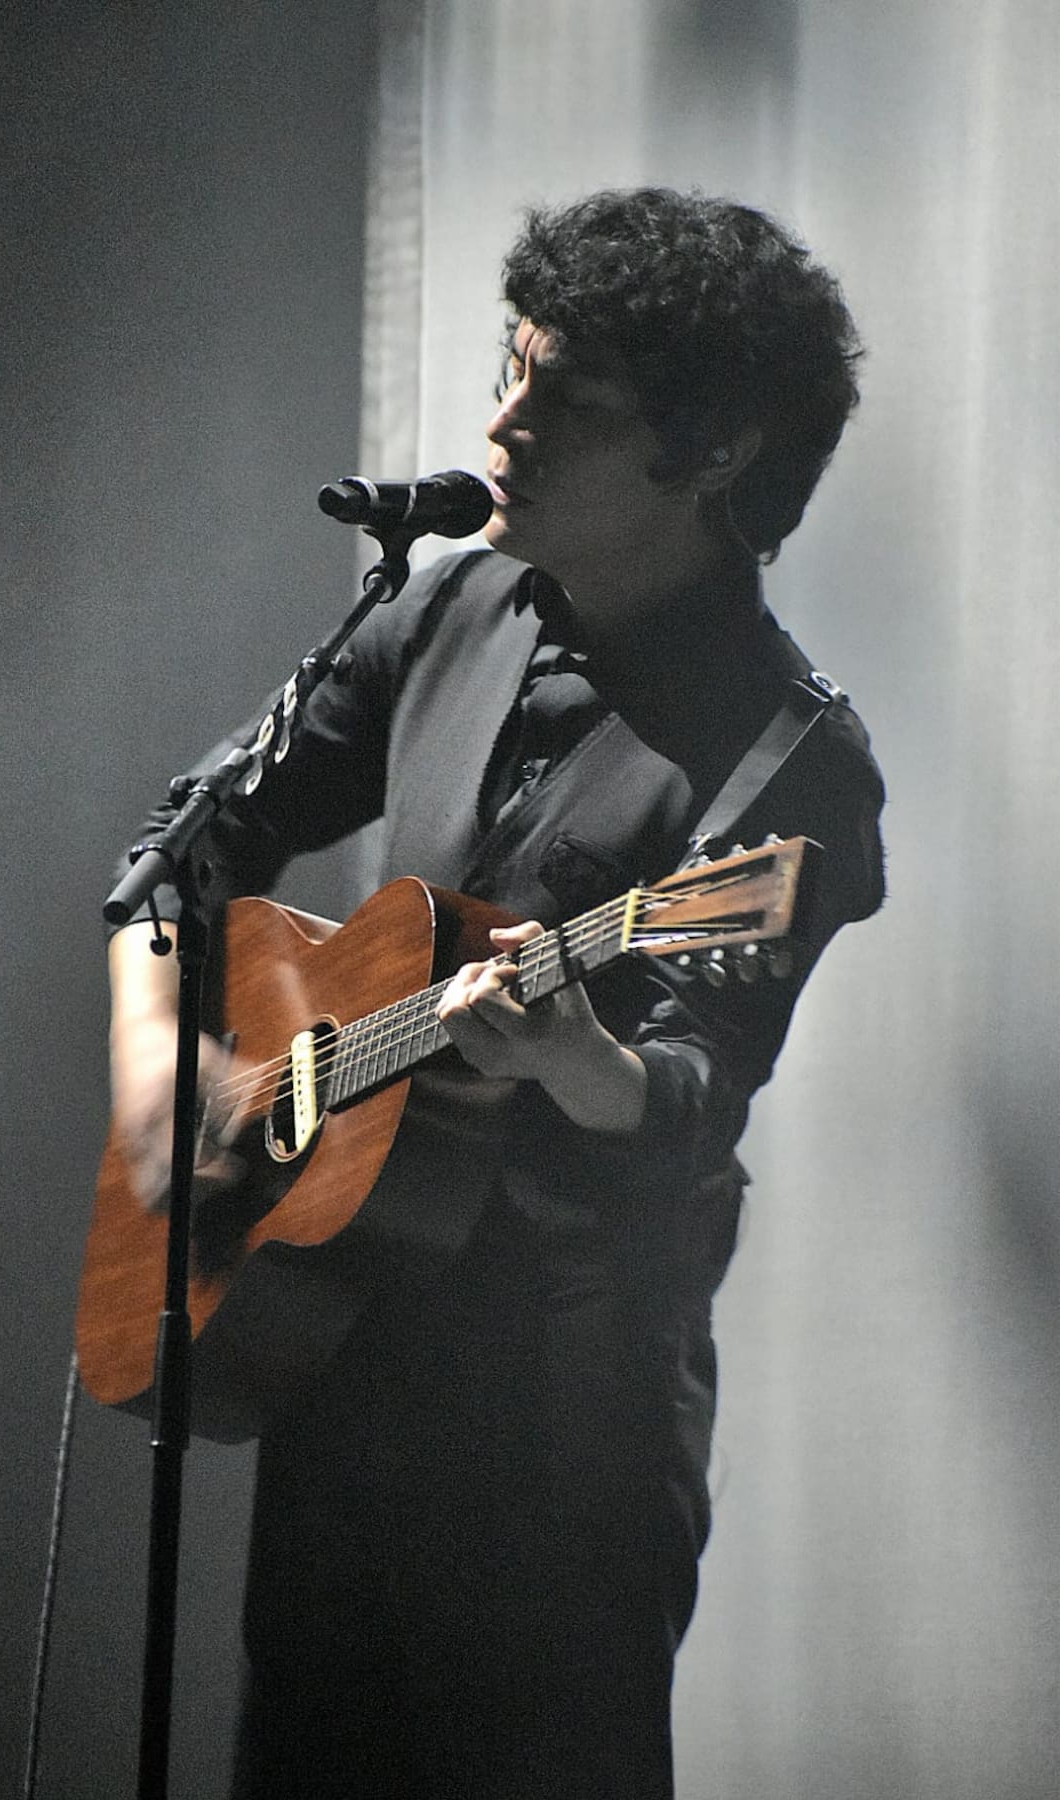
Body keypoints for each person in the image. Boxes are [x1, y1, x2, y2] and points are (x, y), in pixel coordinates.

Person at [108, 188, 885, 1799]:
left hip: (563, 1437)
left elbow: (683, 1094)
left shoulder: (789, 760)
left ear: (717, 452)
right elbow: (175, 862)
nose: (501, 418)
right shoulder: (444, 605)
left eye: (567, 395)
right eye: (511, 363)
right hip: (341, 1364)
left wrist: (573, 1056)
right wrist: (161, 1085)